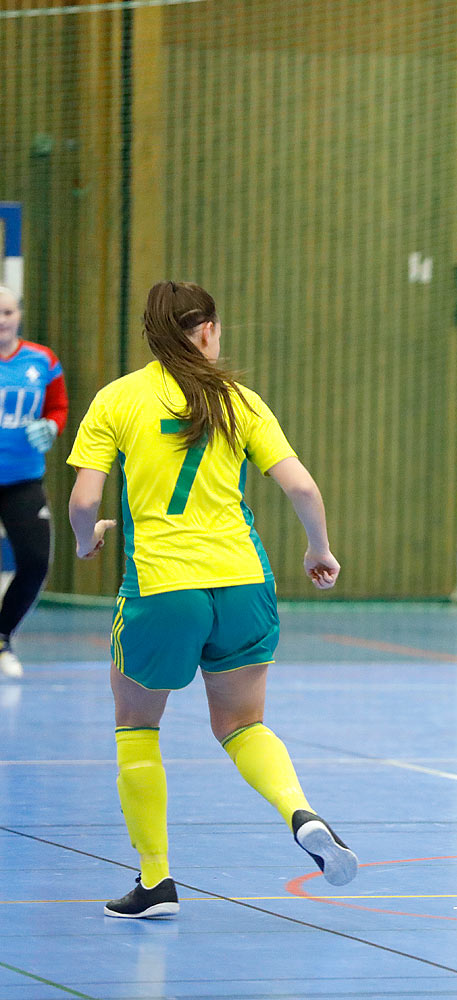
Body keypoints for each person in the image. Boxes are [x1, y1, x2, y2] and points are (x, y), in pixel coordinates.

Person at [66, 280, 356, 919]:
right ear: (207, 331)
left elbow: (84, 501)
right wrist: (319, 551)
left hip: (164, 587)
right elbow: (302, 487)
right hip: (243, 583)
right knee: (244, 726)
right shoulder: (239, 400)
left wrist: (88, 541)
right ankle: (299, 811)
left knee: (137, 726)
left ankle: (156, 881)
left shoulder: (118, 399)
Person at [0, 285, 68, 680]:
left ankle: (2, 637)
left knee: (36, 562)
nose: (1, 321)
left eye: (7, 312)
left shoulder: (42, 360)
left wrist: (51, 427)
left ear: (19, 315)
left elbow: (57, 406)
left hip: (23, 481)